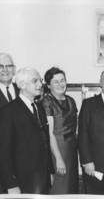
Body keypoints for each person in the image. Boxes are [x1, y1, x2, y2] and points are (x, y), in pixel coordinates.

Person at [0, 67, 54, 194]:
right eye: (35, 81)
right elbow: (4, 151)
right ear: (22, 85)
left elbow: (45, 141)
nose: (40, 84)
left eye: (40, 80)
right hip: (21, 181)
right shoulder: (8, 112)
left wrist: (49, 171)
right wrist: (11, 184)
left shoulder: (40, 108)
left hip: (42, 178)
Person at [41, 67, 79, 194]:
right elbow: (49, 133)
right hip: (57, 150)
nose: (60, 84)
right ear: (48, 85)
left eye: (62, 80)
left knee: (71, 189)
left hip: (71, 151)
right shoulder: (47, 102)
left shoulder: (71, 100)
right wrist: (58, 159)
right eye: (56, 82)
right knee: (59, 189)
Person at [0, 53, 19, 193]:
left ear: (14, 69)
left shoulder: (24, 90)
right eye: (0, 66)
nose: (5, 70)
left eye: (8, 66)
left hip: (23, 162)